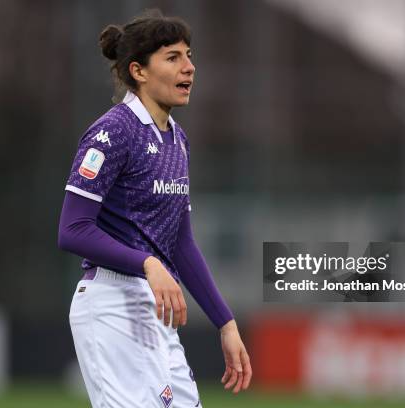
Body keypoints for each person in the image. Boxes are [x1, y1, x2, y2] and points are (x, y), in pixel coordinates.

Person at [58, 10, 252, 408]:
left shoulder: (177, 141)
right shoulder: (113, 132)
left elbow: (181, 242)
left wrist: (225, 323)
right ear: (139, 71)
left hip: (155, 312)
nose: (189, 67)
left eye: (189, 55)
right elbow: (72, 229)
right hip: (110, 305)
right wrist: (148, 263)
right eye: (173, 57)